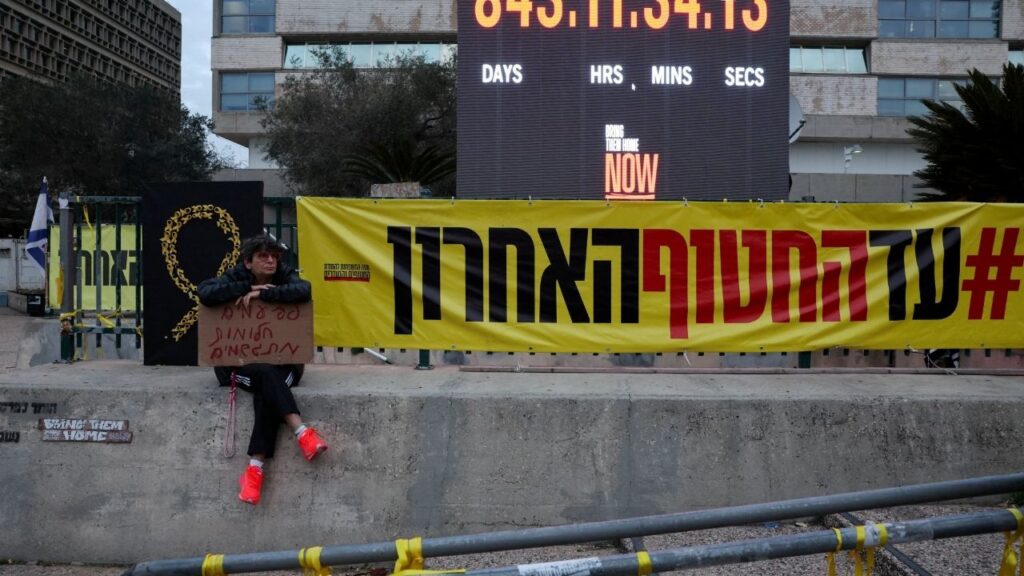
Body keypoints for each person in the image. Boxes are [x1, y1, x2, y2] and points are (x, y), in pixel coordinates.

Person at [197, 233, 328, 505]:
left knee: (267, 389)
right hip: (239, 367)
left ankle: (254, 471)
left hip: (285, 364)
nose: (271, 261)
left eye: (275, 256)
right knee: (266, 377)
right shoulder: (235, 277)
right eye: (263, 257)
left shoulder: (284, 275)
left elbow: (304, 289)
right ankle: (302, 431)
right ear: (248, 262)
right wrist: (245, 288)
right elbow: (205, 292)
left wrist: (264, 293)